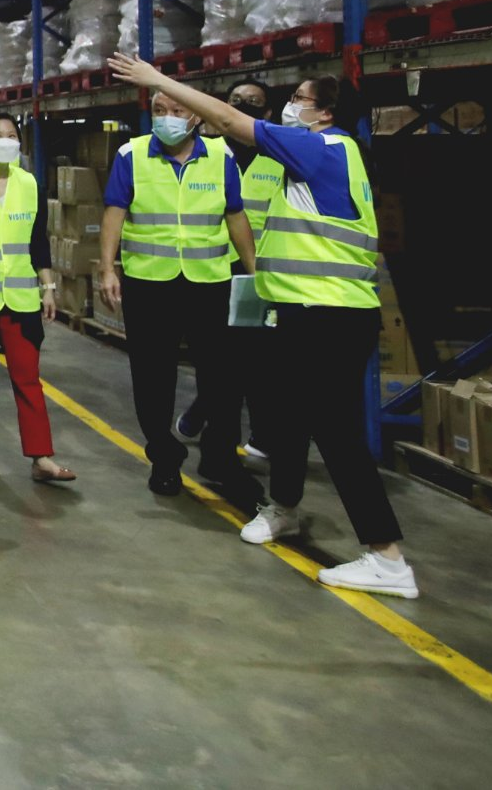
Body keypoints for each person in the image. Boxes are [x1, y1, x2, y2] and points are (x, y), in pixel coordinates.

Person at [108, 57, 417, 598]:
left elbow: (230, 121)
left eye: (299, 99)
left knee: (337, 432)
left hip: (329, 313)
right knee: (287, 416)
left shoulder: (322, 148)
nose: (289, 107)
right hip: (302, 308)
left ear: (325, 113)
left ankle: (387, 556)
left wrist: (158, 81)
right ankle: (285, 509)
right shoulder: (332, 153)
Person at [95, 87, 257, 498]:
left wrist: (255, 271)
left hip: (209, 281)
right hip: (149, 283)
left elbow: (235, 215)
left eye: (178, 110)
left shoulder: (220, 156)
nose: (166, 117)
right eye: (159, 109)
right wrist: (108, 268)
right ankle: (164, 458)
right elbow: (115, 211)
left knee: (222, 378)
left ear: (197, 116)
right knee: (153, 376)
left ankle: (220, 458)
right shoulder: (132, 154)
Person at [0, 113, 76, 483]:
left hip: (21, 298)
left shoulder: (29, 183)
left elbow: (38, 240)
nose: (6, 141)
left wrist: (49, 288)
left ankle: (41, 456)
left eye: (12, 135)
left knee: (28, 378)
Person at [176, 80, 278, 457]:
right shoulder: (209, 153)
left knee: (258, 354)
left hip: (262, 272)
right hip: (216, 269)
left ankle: (252, 431)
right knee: (223, 354)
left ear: (267, 113)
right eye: (236, 100)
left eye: (253, 102)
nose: (242, 105)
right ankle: (211, 420)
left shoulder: (279, 157)